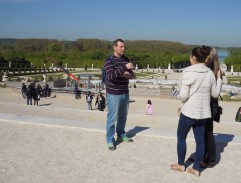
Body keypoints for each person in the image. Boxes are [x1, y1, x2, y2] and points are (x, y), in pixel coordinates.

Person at [170, 46, 222, 177]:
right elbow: (215, 94)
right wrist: (219, 78)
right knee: (200, 142)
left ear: (193, 57)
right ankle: (196, 169)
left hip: (188, 113)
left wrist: (175, 94)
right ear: (205, 58)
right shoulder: (210, 73)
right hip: (203, 113)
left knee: (181, 138)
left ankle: (181, 164)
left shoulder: (187, 71)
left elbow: (183, 96)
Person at [104, 39, 134, 150]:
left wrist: (128, 75)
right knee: (112, 118)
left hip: (125, 92)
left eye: (124, 47)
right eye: (121, 47)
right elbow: (110, 76)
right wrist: (124, 68)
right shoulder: (109, 60)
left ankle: (121, 135)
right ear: (114, 47)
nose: (123, 48)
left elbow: (132, 74)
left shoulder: (125, 59)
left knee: (123, 116)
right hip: (114, 94)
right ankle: (110, 140)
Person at [201, 46, 222, 168]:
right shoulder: (214, 69)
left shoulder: (212, 71)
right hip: (210, 103)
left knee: (208, 132)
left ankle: (210, 159)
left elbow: (214, 92)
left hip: (209, 104)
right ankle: (204, 155)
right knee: (205, 132)